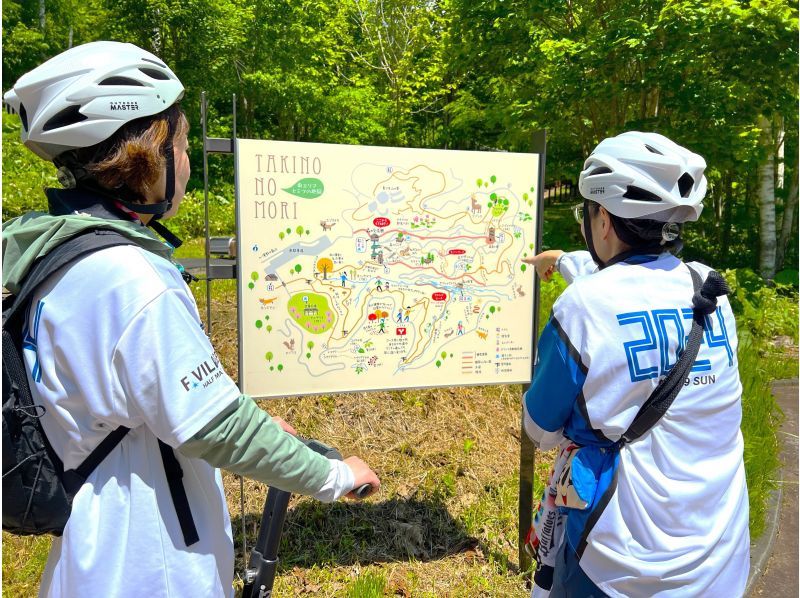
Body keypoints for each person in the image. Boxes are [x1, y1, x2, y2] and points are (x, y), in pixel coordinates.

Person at [2, 41, 380, 598]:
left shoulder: (57, 257)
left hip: (91, 549)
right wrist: (336, 475)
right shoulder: (131, 278)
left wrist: (260, 429)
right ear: (146, 156)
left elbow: (152, 398)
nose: (185, 161)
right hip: (149, 564)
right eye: (178, 143)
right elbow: (217, 427)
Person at [521, 132, 748, 597]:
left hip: (621, 563)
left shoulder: (582, 309)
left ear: (602, 218)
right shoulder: (709, 290)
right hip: (720, 555)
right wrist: (564, 261)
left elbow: (539, 429)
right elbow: (634, 290)